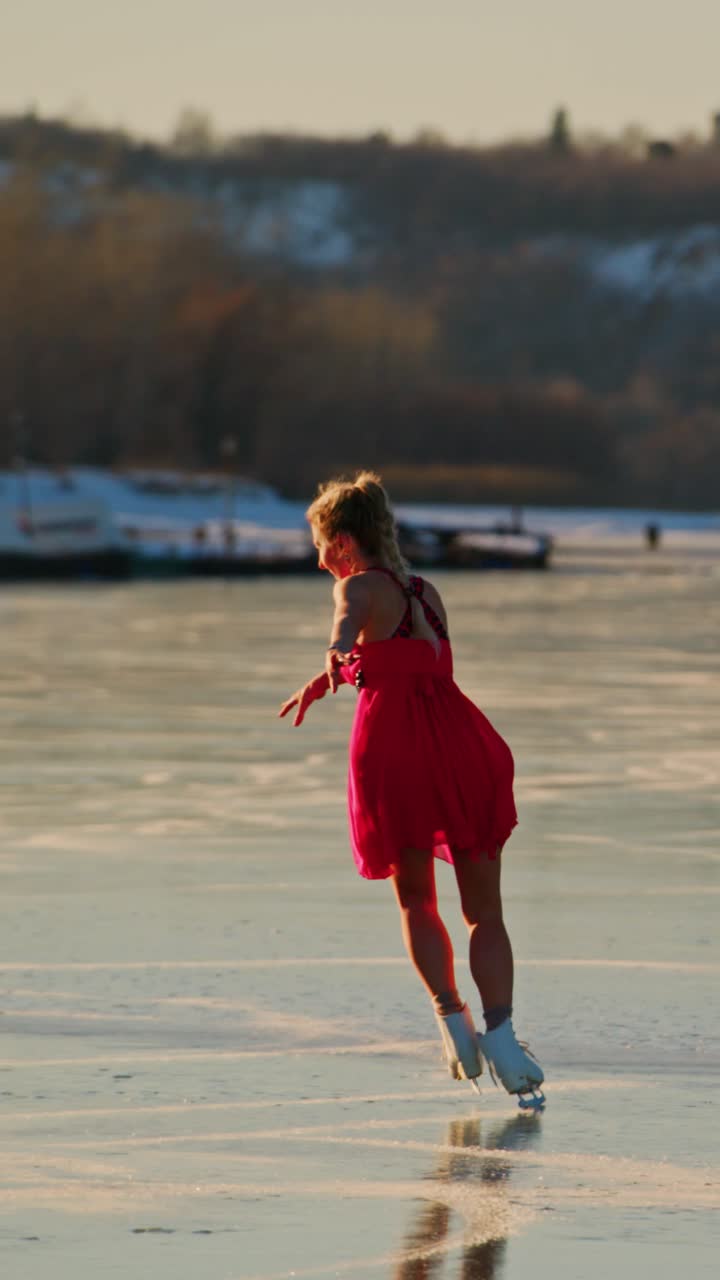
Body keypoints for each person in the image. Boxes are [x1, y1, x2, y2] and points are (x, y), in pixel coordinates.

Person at [279, 471, 545, 1108]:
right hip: (460, 748)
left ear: (344, 541)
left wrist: (337, 659)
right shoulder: (426, 594)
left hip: (396, 755)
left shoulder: (353, 588)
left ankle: (454, 1024)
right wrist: (330, 677)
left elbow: (346, 638)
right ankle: (503, 1037)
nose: (319, 560)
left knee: (417, 903)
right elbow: (427, 666)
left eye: (321, 544)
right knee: (486, 912)